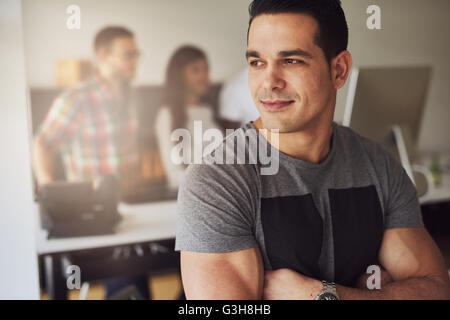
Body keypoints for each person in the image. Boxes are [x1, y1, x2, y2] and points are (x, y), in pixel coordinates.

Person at [175, 0, 450, 299]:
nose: (269, 82)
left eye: (291, 61)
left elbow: (435, 288)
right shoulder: (217, 181)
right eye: (257, 62)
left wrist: (323, 295)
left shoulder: (378, 165)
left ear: (339, 70)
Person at [33, 26, 150, 300]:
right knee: (129, 276)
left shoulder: (132, 96)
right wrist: (51, 193)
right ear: (103, 56)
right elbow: (41, 143)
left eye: (136, 54)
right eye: (128, 55)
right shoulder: (76, 98)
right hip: (94, 218)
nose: (135, 61)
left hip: (134, 212)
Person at [155, 45, 222, 191]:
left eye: (206, 69)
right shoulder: (167, 116)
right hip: (188, 195)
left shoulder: (207, 111)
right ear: (179, 75)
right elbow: (174, 173)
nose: (204, 76)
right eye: (195, 70)